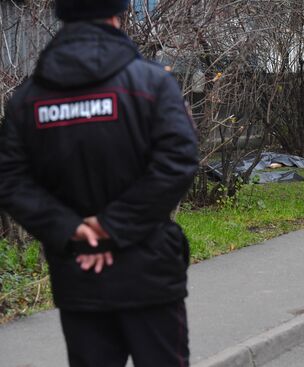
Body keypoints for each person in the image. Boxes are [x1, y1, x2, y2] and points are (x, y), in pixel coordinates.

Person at [0, 1, 199, 366]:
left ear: (61, 16)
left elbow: (11, 180)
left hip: (79, 276)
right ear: (116, 15)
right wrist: (108, 227)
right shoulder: (151, 83)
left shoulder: (28, 99)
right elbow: (178, 161)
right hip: (149, 274)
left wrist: (74, 229)